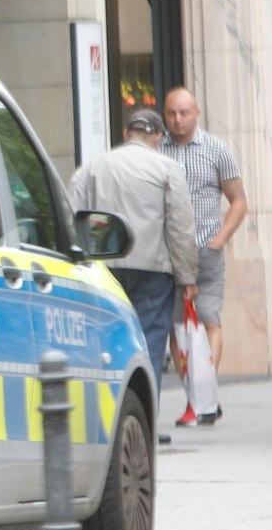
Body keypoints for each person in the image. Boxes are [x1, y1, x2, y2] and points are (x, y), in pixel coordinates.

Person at [69, 109, 199, 444]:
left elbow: (73, 214)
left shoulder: (94, 166)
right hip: (153, 271)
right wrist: (187, 277)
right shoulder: (167, 168)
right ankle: (144, 427)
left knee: (106, 345)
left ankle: (104, 424)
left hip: (105, 269)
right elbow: (180, 227)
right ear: (158, 137)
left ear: (127, 133)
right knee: (149, 346)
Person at [161, 87, 248, 425]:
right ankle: (195, 398)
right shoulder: (158, 150)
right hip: (170, 253)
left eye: (184, 113)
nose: (177, 120)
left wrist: (218, 241)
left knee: (209, 319)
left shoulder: (217, 150)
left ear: (196, 113)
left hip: (206, 250)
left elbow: (238, 201)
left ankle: (205, 396)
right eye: (171, 113)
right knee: (178, 328)